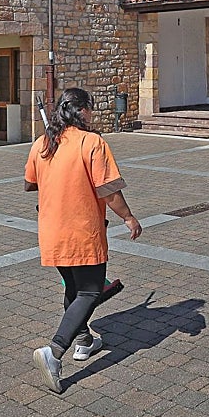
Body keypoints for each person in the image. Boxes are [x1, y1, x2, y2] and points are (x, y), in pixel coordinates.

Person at [25, 87, 141, 394]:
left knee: (74, 289)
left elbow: (30, 181)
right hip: (82, 230)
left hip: (52, 229)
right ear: (84, 111)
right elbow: (110, 191)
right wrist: (128, 217)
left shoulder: (42, 143)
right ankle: (55, 351)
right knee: (89, 292)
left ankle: (84, 340)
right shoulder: (92, 142)